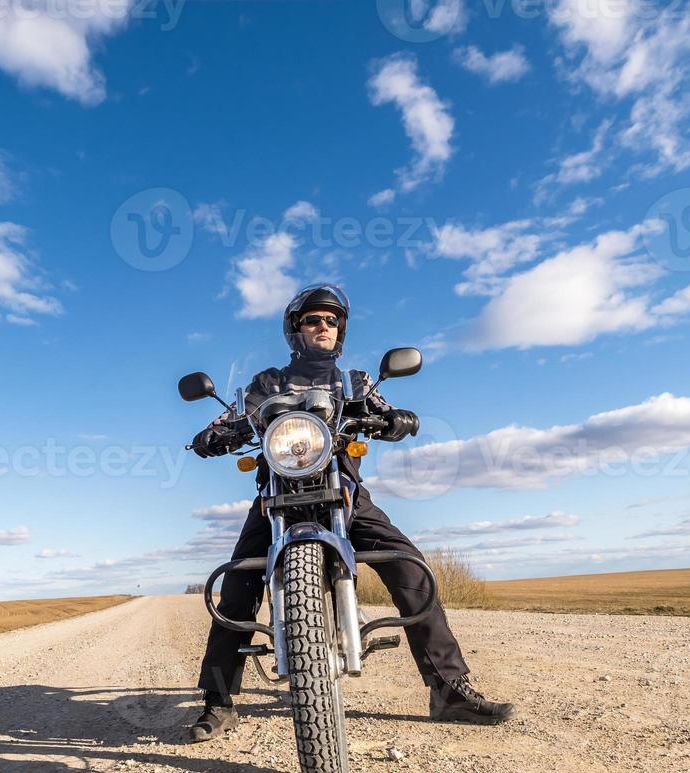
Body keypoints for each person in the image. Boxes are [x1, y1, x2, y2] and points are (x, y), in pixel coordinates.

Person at [186, 283, 517, 742]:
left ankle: (449, 689)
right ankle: (218, 703)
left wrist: (398, 418)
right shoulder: (269, 384)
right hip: (276, 494)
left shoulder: (354, 382)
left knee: (409, 567)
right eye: (312, 319)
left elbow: (383, 408)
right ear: (295, 329)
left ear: (339, 329)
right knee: (237, 585)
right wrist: (213, 433)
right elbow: (232, 418)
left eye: (331, 320)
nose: (323, 326)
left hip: (344, 492)